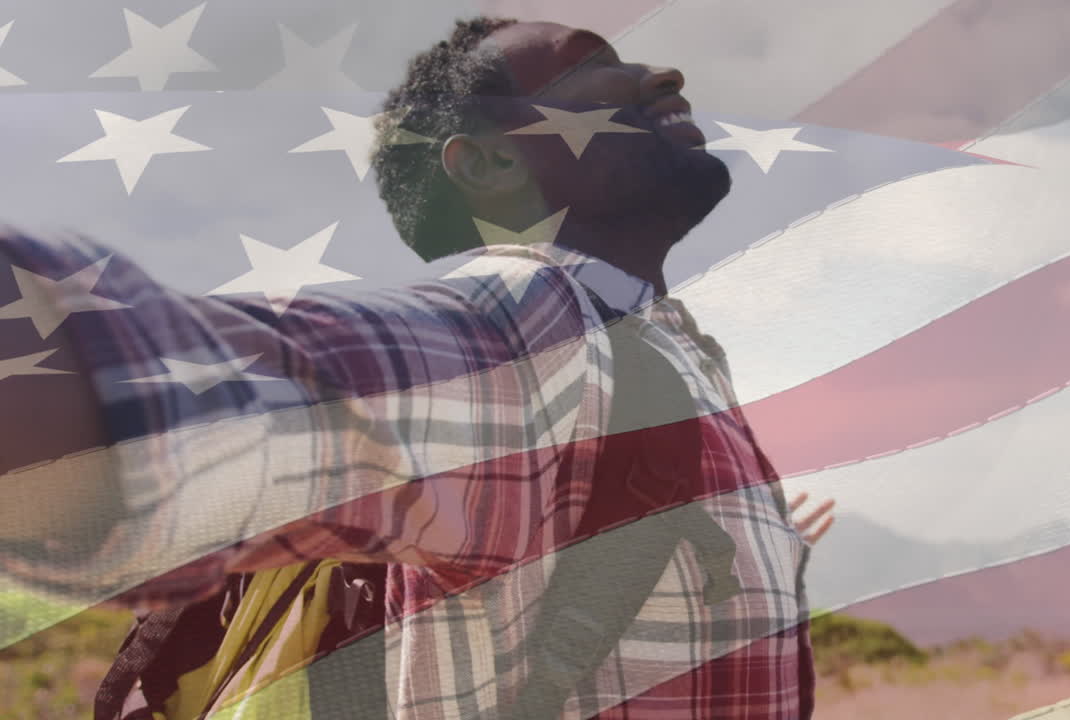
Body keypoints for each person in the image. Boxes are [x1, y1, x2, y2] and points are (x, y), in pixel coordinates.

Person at [0, 16, 833, 719]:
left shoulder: (662, 349)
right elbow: (182, 389)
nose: (663, 72)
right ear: (491, 163)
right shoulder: (534, 328)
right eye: (593, 68)